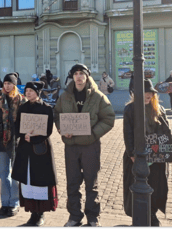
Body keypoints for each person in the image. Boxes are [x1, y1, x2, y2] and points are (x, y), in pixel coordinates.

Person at [54, 64, 115, 227]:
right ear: (72, 77)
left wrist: (93, 133)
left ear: (87, 76)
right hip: (71, 146)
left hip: (90, 146)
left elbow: (109, 119)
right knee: (72, 182)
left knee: (91, 183)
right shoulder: (65, 96)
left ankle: (93, 217)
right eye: (76, 74)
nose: (79, 76)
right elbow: (57, 114)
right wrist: (61, 128)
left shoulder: (98, 96)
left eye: (82, 74)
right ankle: (75, 215)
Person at [123, 79, 172, 227]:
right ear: (136, 94)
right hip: (137, 156)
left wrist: (171, 151)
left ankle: (152, 213)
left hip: (157, 155)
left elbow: (167, 132)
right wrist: (131, 154)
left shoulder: (158, 109)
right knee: (136, 186)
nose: (148, 95)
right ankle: (142, 215)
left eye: (150, 92)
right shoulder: (130, 109)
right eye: (145, 92)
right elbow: (127, 133)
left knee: (156, 186)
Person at [12, 81, 58, 227]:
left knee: (40, 181)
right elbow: (17, 126)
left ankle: (41, 213)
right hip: (25, 149)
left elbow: (48, 130)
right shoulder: (23, 107)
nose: (28, 93)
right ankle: (32, 212)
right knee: (28, 180)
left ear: (38, 92)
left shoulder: (47, 108)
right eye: (26, 91)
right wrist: (23, 134)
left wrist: (34, 137)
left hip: (40, 150)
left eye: (31, 91)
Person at [0, 72, 27, 217]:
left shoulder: (22, 101)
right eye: (5, 83)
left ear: (14, 85)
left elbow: (26, 120)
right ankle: (5, 202)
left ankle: (14, 203)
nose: (7, 86)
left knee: (16, 174)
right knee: (3, 173)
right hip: (1, 141)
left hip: (16, 142)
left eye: (10, 83)